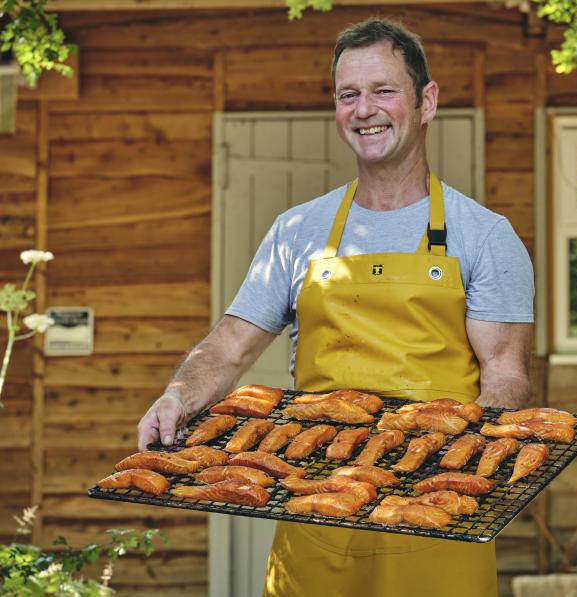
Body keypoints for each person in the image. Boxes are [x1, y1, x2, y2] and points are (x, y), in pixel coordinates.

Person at [137, 18, 534, 597]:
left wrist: (459, 466)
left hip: (435, 514)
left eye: (383, 90)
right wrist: (177, 394)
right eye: (349, 94)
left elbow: (506, 374)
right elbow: (229, 346)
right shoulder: (298, 230)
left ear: (426, 102)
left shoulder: (483, 235)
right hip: (317, 499)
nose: (364, 108)